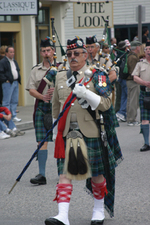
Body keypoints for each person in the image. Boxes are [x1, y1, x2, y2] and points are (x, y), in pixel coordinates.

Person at [45, 37, 123, 225]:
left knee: (96, 174)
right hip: (66, 134)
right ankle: (62, 216)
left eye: (77, 53)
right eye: (69, 54)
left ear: (85, 55)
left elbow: (105, 104)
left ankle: (98, 210)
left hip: (91, 131)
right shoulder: (60, 76)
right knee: (65, 174)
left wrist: (86, 93)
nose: (72, 57)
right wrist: (56, 133)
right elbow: (56, 107)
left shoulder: (98, 74)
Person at [26, 38, 62, 185]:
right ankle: (41, 175)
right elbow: (31, 89)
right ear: (41, 53)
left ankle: (62, 173)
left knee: (62, 138)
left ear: (53, 51)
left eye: (49, 50)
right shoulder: (36, 70)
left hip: (59, 106)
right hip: (43, 107)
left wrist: (58, 90)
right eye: (44, 51)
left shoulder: (62, 68)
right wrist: (43, 96)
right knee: (42, 141)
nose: (46, 53)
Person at [132, 42, 150, 152]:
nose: (149, 50)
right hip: (145, 94)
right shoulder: (140, 64)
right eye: (147, 49)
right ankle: (147, 143)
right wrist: (144, 83)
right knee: (145, 120)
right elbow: (134, 77)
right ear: (145, 51)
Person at [0, 46, 22, 122]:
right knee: (7, 101)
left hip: (15, 82)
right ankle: (7, 116)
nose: (12, 54)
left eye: (13, 52)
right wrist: (5, 80)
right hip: (8, 83)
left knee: (14, 100)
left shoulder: (14, 61)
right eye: (11, 52)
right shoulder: (3, 62)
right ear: (6, 53)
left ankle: (13, 116)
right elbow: (1, 72)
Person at [126, 41, 142, 126]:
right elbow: (133, 71)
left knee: (131, 100)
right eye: (139, 46)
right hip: (133, 81)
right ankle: (131, 119)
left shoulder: (131, 56)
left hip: (131, 81)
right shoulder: (133, 57)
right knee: (133, 101)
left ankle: (130, 118)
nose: (140, 48)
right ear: (137, 47)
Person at [116, 40, 129, 122]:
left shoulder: (117, 54)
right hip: (125, 78)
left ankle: (121, 112)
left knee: (123, 96)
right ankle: (122, 112)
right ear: (125, 48)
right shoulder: (126, 55)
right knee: (128, 96)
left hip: (119, 77)